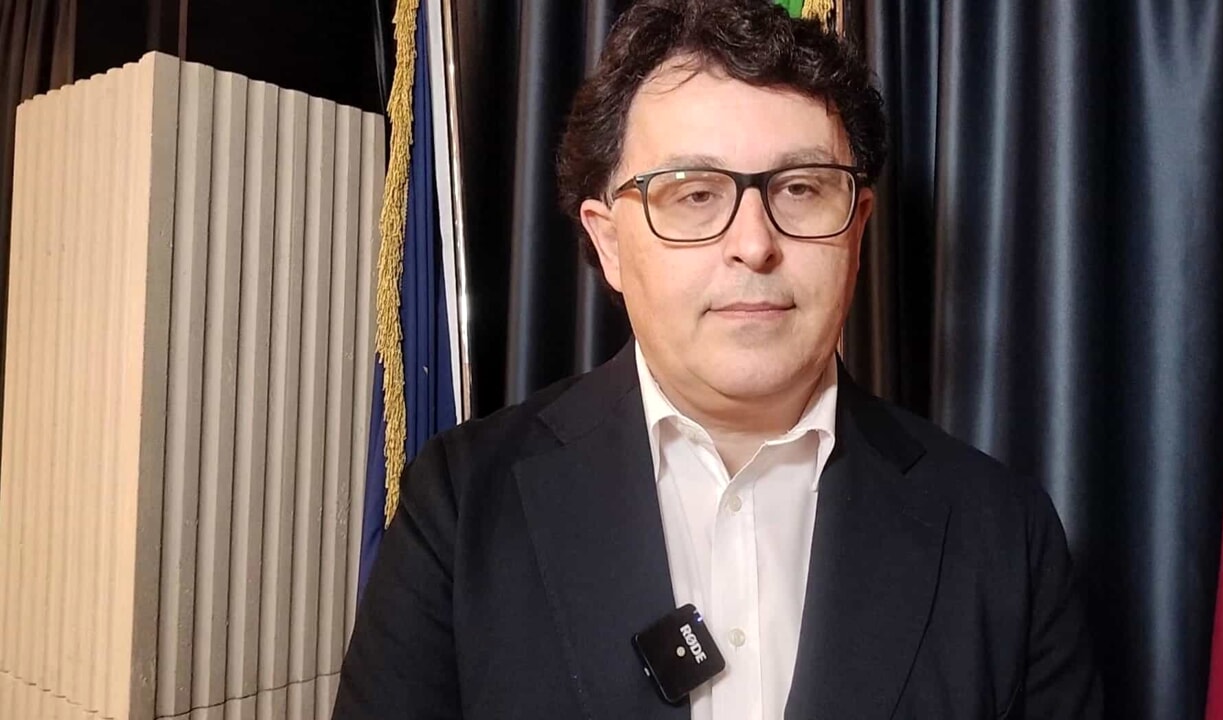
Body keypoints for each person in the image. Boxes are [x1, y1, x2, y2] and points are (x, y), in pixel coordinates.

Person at [333, 0, 1102, 717]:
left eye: (801, 189)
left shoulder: (1002, 534)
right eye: (695, 194)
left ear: (858, 229)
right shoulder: (463, 508)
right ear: (609, 242)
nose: (755, 244)